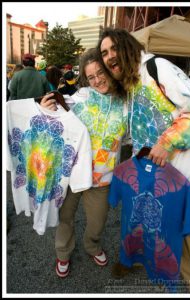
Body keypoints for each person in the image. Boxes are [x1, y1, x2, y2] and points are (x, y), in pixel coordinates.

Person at [97, 28, 190, 293]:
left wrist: (166, 142)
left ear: (129, 48)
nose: (109, 56)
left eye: (114, 48)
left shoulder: (157, 68)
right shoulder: (129, 85)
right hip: (151, 176)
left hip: (185, 177)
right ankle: (143, 262)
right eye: (104, 53)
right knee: (150, 223)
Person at [40, 48, 128, 278]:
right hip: (72, 174)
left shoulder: (126, 103)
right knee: (65, 217)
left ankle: (92, 245)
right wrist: (45, 109)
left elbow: (133, 136)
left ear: (109, 69)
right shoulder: (81, 98)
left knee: (98, 221)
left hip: (102, 177)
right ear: (85, 80)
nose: (97, 80)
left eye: (101, 72)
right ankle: (63, 252)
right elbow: (55, 111)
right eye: (91, 76)